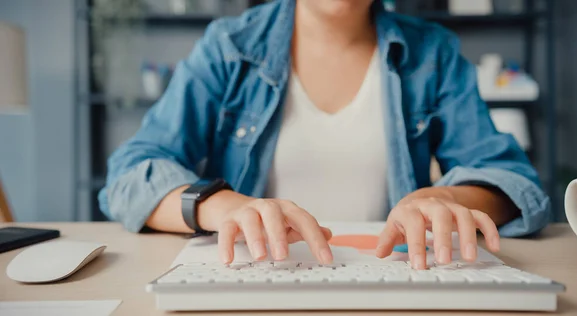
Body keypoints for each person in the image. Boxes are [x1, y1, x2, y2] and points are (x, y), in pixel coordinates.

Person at [99, 0, 550, 270]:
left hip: (392, 278)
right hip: (257, 279)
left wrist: (448, 199)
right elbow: (130, 176)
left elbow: (513, 182)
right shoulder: (229, 46)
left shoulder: (434, 51)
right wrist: (224, 207)